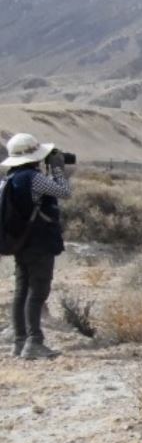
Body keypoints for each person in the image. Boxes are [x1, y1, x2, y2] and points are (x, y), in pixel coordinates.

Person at [3, 134, 74, 360]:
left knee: (22, 291)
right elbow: (64, 191)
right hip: (39, 243)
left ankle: (19, 342)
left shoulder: (10, 177)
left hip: (20, 242)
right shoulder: (33, 177)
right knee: (38, 292)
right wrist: (57, 168)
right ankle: (34, 342)